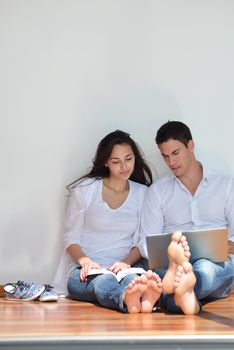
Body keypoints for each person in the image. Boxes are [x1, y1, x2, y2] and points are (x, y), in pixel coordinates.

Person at [52, 129, 164, 313]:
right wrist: (85, 261)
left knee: (133, 281)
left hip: (126, 267)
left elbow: (144, 239)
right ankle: (127, 299)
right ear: (105, 162)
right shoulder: (86, 190)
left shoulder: (143, 194)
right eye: (116, 161)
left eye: (129, 158)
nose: (124, 166)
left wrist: (126, 263)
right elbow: (70, 237)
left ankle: (138, 301)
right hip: (85, 271)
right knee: (104, 281)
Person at [139, 120, 234, 314]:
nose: (171, 162)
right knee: (167, 278)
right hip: (171, 263)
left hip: (215, 263)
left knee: (205, 271)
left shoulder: (226, 186)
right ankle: (188, 296)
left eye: (175, 153)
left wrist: (227, 245)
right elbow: (145, 242)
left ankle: (184, 290)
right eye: (165, 156)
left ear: (191, 145)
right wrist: (173, 254)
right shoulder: (157, 192)